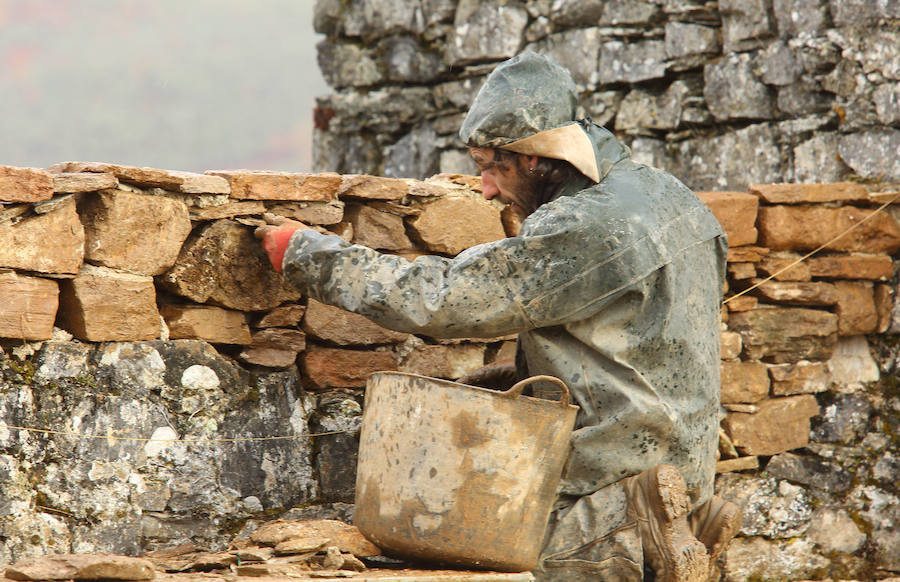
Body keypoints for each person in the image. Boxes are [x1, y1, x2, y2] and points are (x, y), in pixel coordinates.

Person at [257, 51, 740, 582]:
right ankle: (683, 523)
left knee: (472, 548)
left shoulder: (584, 225)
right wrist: (521, 376)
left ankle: (631, 526)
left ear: (535, 158)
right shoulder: (672, 197)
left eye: (493, 166)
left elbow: (443, 297)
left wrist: (305, 253)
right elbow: (635, 341)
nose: (485, 188)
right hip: (686, 465)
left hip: (614, 475)